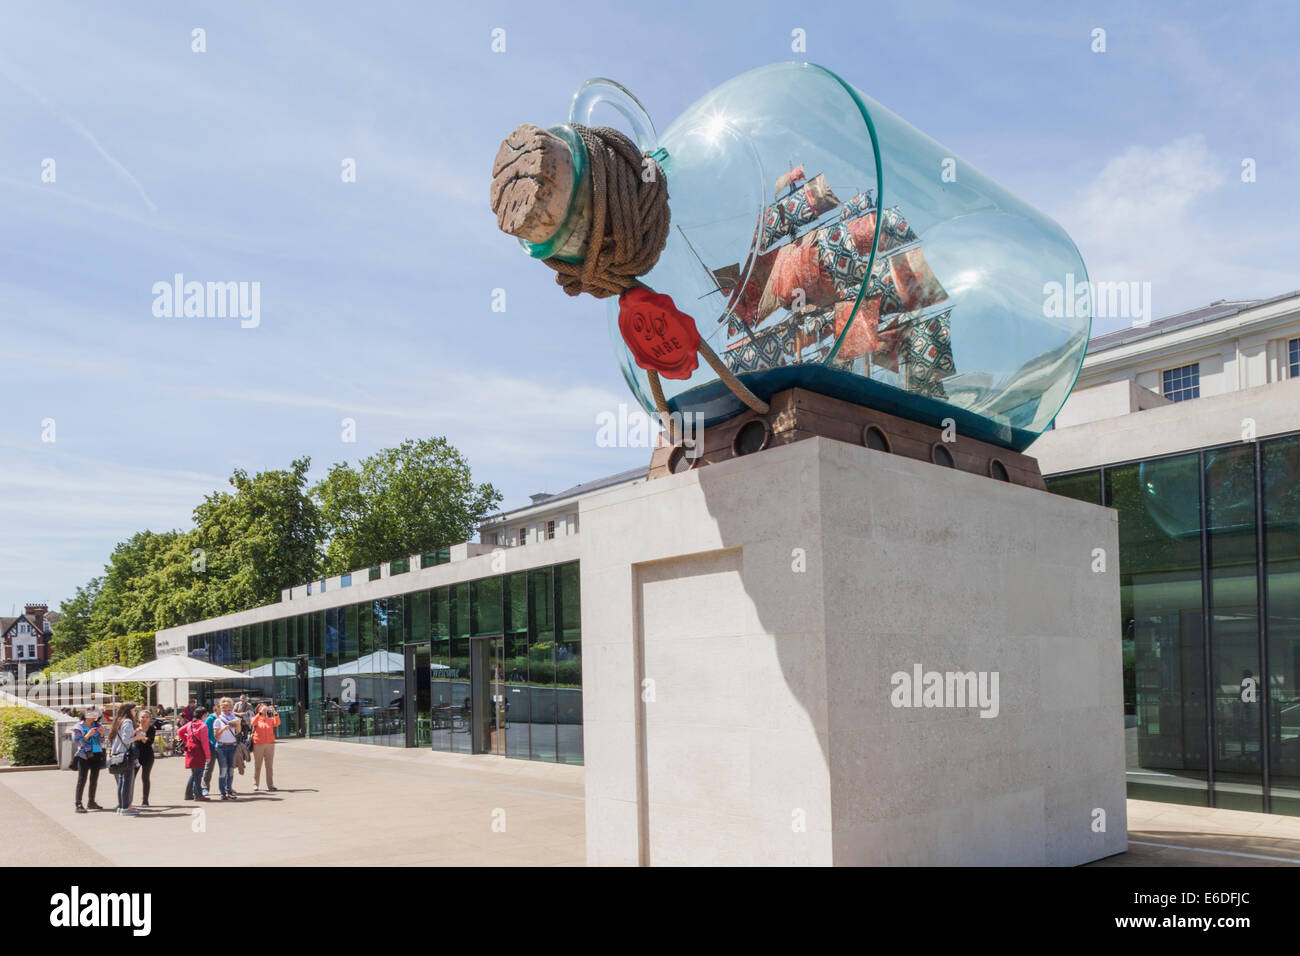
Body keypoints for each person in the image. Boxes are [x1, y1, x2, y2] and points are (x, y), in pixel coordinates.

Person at [107, 703, 146, 815]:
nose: (135, 712)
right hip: (125, 756)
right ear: (129, 710)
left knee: (121, 782)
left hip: (117, 755)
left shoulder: (119, 721)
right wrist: (138, 737)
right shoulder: (128, 721)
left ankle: (121, 807)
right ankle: (125, 808)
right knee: (127, 782)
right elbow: (126, 739)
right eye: (134, 710)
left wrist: (134, 732)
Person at [71, 706, 106, 813]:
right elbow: (78, 742)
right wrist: (88, 735)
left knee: (94, 779)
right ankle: (78, 804)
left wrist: (101, 734)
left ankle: (91, 802)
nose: (94, 716)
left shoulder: (98, 725)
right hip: (84, 755)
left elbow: (102, 740)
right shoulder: (78, 727)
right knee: (82, 780)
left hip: (96, 754)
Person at [211, 697, 243, 800]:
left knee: (231, 770)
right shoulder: (218, 720)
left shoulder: (233, 718)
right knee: (223, 770)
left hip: (232, 745)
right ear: (221, 708)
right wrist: (224, 728)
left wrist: (238, 723)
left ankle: (229, 790)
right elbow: (216, 736)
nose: (227, 711)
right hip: (222, 746)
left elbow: (238, 731)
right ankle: (223, 792)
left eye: (229, 709)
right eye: (224, 709)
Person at [178, 707, 211, 801]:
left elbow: (179, 732)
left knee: (194, 773)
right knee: (198, 774)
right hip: (198, 751)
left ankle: (188, 794)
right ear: (203, 715)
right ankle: (198, 795)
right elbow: (205, 743)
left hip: (189, 749)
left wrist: (186, 740)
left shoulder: (190, 724)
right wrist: (208, 756)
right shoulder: (203, 726)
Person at [251, 702, 281, 792]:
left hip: (270, 744)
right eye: (261, 708)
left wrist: (274, 712)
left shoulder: (270, 719)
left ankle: (270, 785)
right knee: (258, 765)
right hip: (258, 744)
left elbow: (277, 723)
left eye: (265, 708)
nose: (264, 710)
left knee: (269, 766)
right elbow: (253, 722)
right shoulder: (256, 718)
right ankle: (256, 784)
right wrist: (259, 713)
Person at [133, 708, 158, 807]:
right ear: (138, 718)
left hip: (148, 755)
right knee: (132, 777)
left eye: (147, 717)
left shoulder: (152, 728)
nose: (144, 719)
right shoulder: (134, 727)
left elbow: (149, 742)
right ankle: (128, 799)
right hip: (136, 755)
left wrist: (141, 736)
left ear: (150, 718)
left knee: (145, 777)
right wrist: (140, 735)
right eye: (142, 717)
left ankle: (145, 800)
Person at [202, 706, 219, 796]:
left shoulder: (225, 718)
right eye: (221, 707)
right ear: (216, 708)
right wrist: (211, 743)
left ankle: (226, 788)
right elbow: (205, 734)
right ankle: (205, 787)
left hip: (222, 746)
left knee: (225, 768)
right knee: (209, 768)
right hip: (212, 747)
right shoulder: (210, 719)